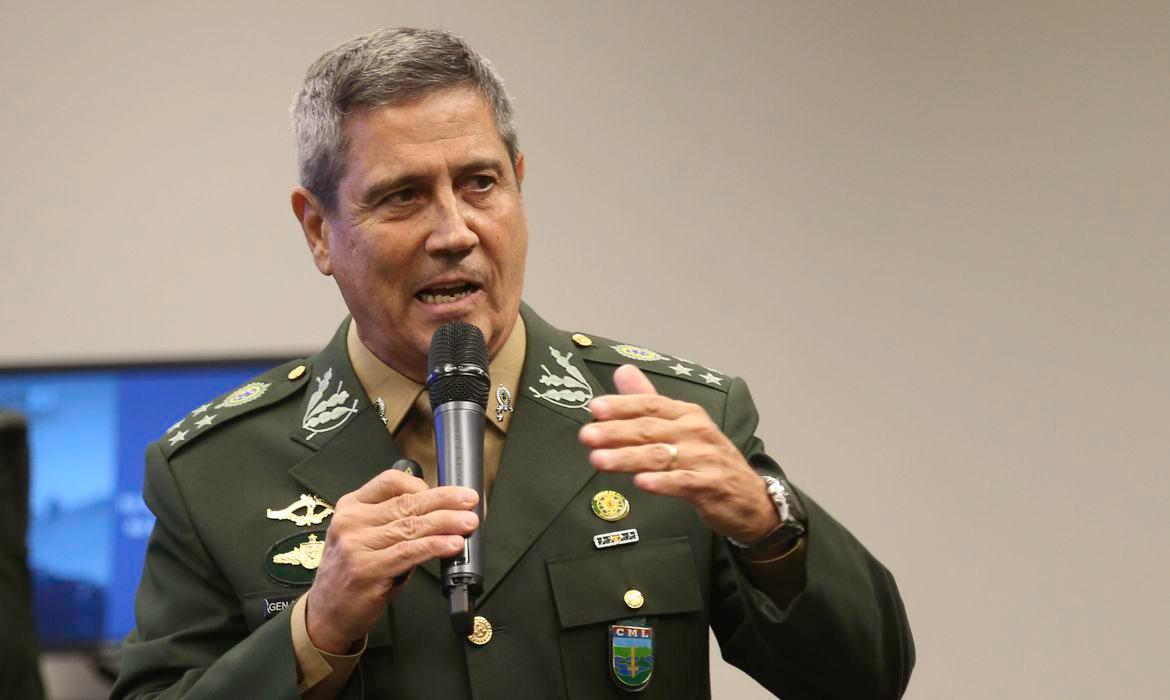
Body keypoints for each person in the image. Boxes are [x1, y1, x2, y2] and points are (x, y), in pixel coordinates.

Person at [112, 27, 913, 699]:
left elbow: (868, 679)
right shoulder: (212, 475)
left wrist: (770, 525)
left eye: (480, 183)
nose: (454, 231)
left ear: (518, 187)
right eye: (403, 196)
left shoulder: (669, 424)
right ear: (319, 230)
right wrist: (313, 633)